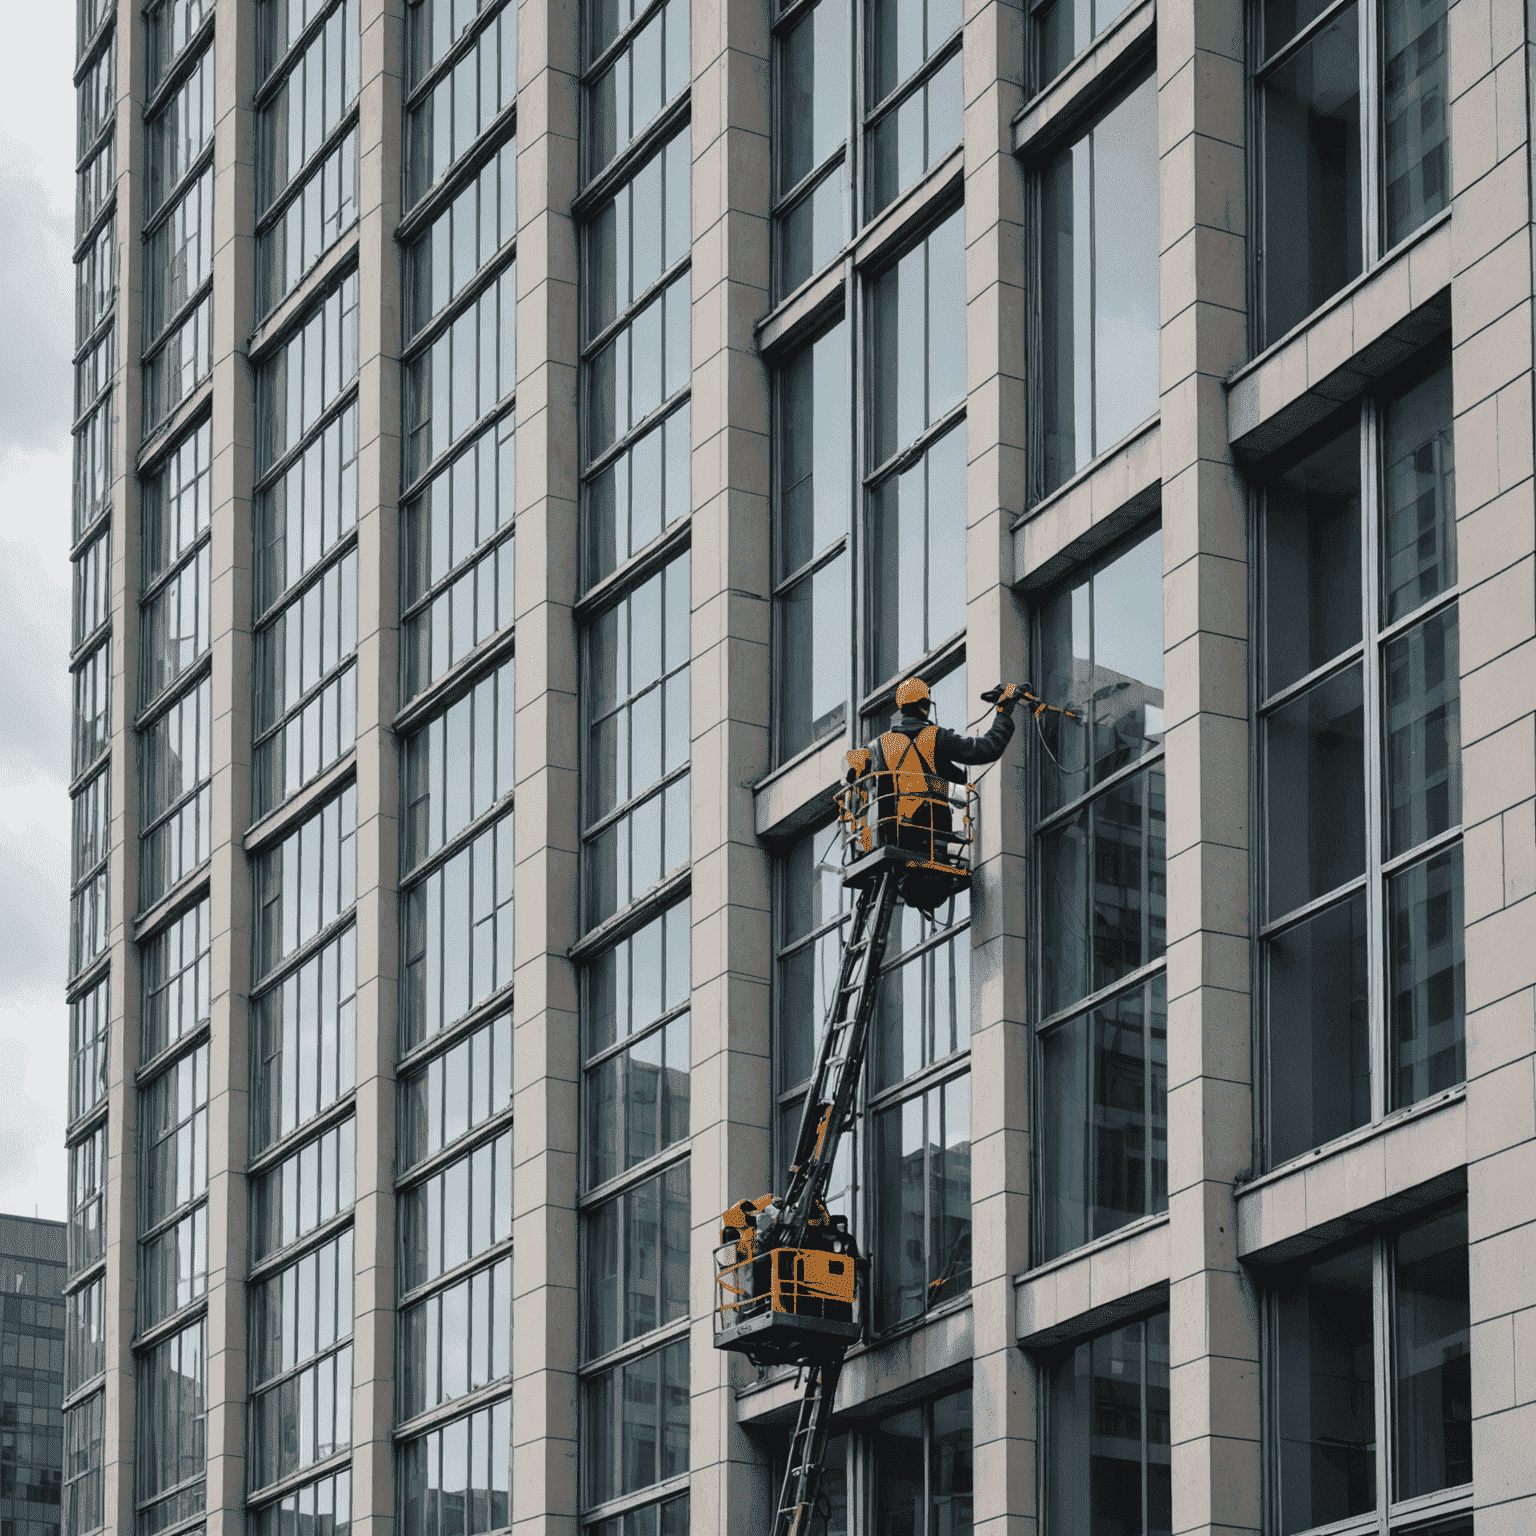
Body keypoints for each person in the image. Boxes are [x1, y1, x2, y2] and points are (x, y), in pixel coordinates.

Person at [848, 677, 1020, 913]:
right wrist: (1004, 712)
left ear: (901, 708)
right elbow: (986, 749)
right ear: (925, 706)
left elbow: (856, 774)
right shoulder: (934, 736)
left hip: (893, 834)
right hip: (928, 832)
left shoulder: (880, 745)